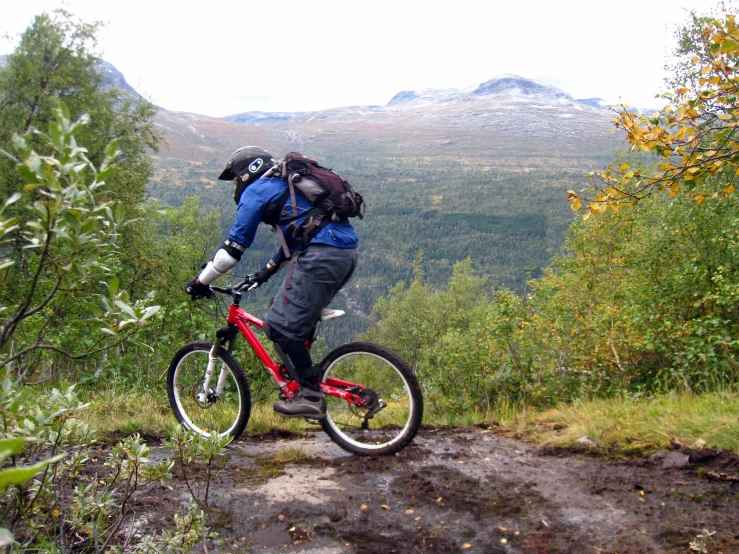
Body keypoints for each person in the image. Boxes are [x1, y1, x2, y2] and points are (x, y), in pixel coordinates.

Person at [185, 146, 358, 420]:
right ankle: (301, 378)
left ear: (245, 173)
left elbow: (231, 253)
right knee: (285, 313)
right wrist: (267, 270)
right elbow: (299, 234)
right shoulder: (285, 186)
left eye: (235, 178)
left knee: (278, 325)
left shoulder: (257, 191)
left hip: (323, 255)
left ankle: (310, 395)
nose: (235, 184)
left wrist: (199, 281)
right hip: (344, 254)